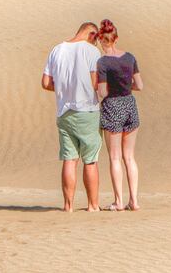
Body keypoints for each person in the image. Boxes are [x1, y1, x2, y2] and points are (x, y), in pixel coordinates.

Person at [41, 22, 103, 211]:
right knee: (90, 160)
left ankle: (68, 205)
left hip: (64, 111)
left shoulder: (57, 50)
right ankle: (93, 205)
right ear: (91, 34)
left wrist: (62, 89)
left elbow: (45, 83)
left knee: (70, 159)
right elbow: (95, 82)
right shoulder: (92, 53)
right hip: (87, 111)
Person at [94, 19, 143, 212]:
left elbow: (103, 92)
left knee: (115, 157)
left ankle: (118, 201)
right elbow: (139, 85)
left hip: (112, 106)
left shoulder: (103, 62)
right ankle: (134, 200)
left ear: (100, 40)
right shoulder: (130, 57)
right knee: (129, 157)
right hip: (130, 104)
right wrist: (125, 86)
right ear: (116, 38)